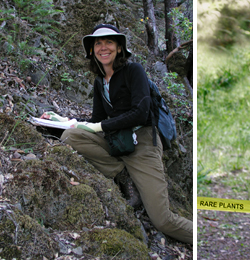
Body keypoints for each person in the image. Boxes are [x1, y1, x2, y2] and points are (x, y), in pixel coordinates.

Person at [40, 24, 193, 244]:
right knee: (70, 136)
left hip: (142, 143)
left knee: (162, 220)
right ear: (92, 50)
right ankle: (122, 172)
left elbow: (141, 113)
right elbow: (95, 121)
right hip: (117, 140)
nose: (104, 47)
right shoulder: (99, 81)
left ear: (119, 48)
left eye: (109, 42)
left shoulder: (134, 71)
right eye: (98, 43)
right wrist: (61, 121)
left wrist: (100, 127)